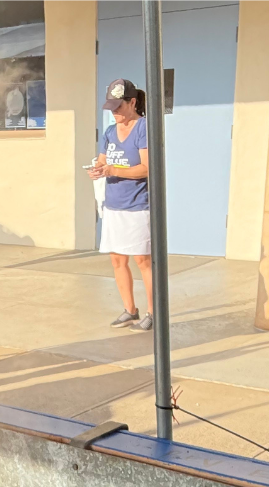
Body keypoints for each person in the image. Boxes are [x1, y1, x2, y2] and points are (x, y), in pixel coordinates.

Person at [90, 78, 154, 332]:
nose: (114, 112)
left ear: (133, 102)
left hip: (138, 205)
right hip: (113, 205)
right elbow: (102, 161)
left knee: (143, 260)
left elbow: (146, 168)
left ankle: (152, 311)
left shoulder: (143, 128)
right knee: (117, 259)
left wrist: (113, 169)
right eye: (111, 107)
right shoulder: (109, 132)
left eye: (118, 106)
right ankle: (130, 309)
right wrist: (97, 170)